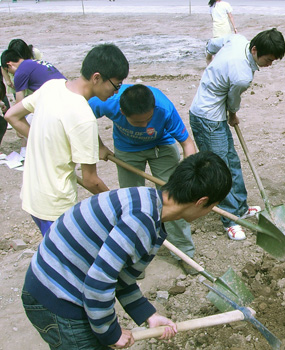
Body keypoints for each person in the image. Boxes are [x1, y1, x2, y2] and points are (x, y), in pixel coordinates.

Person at [21, 151, 232, 350]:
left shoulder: (148, 202)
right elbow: (98, 281)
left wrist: (148, 315)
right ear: (201, 202)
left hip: (57, 285)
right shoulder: (140, 221)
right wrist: (110, 333)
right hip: (56, 298)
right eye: (213, 206)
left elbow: (119, 275)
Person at [5, 44, 129, 236]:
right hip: (55, 206)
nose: (116, 91)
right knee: (64, 262)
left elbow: (12, 115)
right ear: (96, 77)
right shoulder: (84, 117)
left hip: (31, 195)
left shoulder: (52, 86)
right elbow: (90, 180)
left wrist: (45, 140)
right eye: (116, 85)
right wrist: (118, 204)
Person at [89, 84, 200, 275]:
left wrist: (187, 176)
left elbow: (187, 143)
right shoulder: (108, 102)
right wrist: (98, 145)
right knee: (131, 204)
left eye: (147, 120)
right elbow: (84, 117)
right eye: (138, 122)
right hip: (127, 150)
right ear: (122, 112)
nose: (144, 126)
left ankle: (184, 253)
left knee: (174, 200)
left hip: (162, 147)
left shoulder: (163, 108)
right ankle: (134, 257)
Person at [189, 29, 285, 240]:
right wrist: (233, 115)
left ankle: (240, 207)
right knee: (219, 170)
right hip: (207, 118)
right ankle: (230, 220)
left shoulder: (238, 38)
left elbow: (213, 44)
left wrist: (209, 57)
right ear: (254, 49)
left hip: (214, 115)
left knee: (232, 161)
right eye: (268, 60)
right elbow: (233, 101)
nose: (269, 65)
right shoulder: (243, 75)